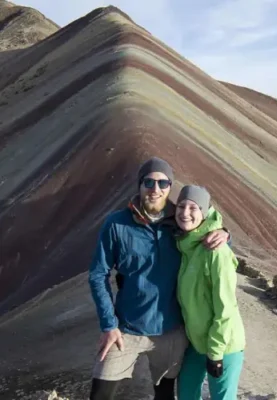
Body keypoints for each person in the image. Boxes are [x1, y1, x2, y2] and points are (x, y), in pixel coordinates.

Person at [88, 158, 230, 400]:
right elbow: (98, 274)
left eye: (163, 183)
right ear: (140, 185)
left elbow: (206, 228)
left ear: (170, 187)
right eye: (149, 182)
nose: (156, 189)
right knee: (100, 395)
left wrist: (225, 233)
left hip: (171, 332)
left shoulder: (180, 222)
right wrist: (108, 324)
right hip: (125, 330)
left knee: (164, 396)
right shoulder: (117, 224)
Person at [175, 185, 246, 400]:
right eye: (181, 206)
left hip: (224, 345)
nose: (185, 213)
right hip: (197, 343)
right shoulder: (183, 243)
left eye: (193, 208)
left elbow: (226, 308)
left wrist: (215, 353)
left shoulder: (216, 252)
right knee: (186, 393)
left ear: (205, 213)